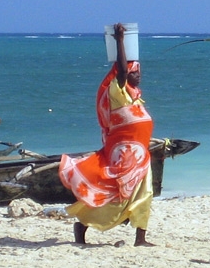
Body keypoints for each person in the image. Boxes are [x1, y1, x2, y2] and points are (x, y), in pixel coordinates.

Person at [58, 23, 155, 247]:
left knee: (145, 194)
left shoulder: (135, 96)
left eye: (138, 71)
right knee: (113, 196)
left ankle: (141, 238)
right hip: (124, 157)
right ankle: (81, 226)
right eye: (133, 71)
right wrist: (120, 40)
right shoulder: (117, 92)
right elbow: (120, 70)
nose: (138, 75)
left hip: (141, 156)